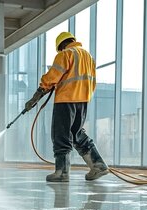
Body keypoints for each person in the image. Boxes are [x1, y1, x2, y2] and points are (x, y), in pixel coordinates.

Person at [25, 32, 109, 182]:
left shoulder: (66, 54)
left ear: (61, 45)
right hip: (83, 100)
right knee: (76, 133)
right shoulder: (89, 57)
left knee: (61, 134)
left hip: (66, 99)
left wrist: (38, 94)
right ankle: (98, 164)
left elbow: (52, 76)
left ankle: (62, 173)